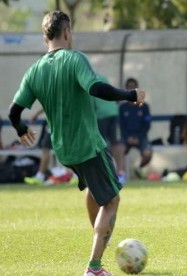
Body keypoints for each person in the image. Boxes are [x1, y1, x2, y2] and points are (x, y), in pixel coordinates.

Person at [8, 11, 145, 276]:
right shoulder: (75, 59)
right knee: (113, 199)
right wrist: (130, 95)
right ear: (67, 32)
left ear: (44, 37)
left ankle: (99, 237)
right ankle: (94, 267)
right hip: (88, 145)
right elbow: (95, 88)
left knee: (96, 192)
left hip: (64, 150)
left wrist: (21, 129)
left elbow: (14, 111)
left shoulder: (34, 70)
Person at [93, 75, 126, 183]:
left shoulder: (86, 80)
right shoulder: (103, 77)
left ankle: (105, 174)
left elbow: (88, 104)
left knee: (101, 145)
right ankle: (121, 173)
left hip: (102, 116)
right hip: (114, 112)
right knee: (115, 143)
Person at [119, 77, 152, 178]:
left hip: (141, 137)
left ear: (137, 89)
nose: (131, 89)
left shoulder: (144, 106)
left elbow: (147, 125)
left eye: (133, 87)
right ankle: (121, 175)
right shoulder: (122, 107)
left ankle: (138, 169)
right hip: (126, 137)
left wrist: (139, 137)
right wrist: (128, 137)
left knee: (148, 153)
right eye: (129, 87)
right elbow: (121, 126)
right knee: (119, 150)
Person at [23, 109, 53, 185]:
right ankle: (40, 176)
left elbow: (46, 103)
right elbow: (46, 103)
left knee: (46, 149)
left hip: (57, 124)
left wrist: (36, 114)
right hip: (53, 124)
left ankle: (40, 176)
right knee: (46, 149)